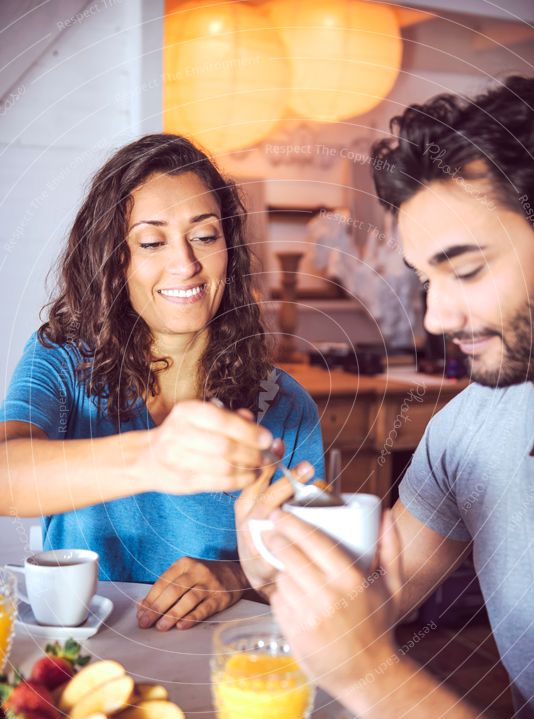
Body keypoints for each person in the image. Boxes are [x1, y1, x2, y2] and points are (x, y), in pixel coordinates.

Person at [237, 76, 534, 719]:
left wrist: (371, 674)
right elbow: (383, 587)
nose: (433, 317)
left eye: (466, 269)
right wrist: (279, 552)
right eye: (425, 279)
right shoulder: (470, 429)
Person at [0, 134, 324, 630]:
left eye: (205, 235)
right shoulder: (62, 361)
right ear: (115, 260)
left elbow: (312, 566)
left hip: (221, 662)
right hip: (84, 659)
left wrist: (236, 575)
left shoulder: (283, 403)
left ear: (230, 250)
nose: (185, 263)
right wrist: (153, 458)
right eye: (152, 242)